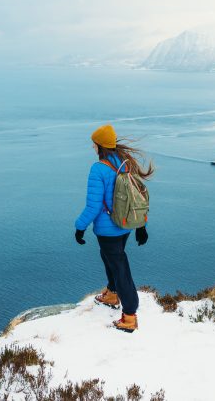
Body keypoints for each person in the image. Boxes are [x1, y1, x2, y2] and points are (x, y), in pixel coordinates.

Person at [74, 123, 154, 333]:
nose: (93, 147)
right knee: (110, 257)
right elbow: (137, 197)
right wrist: (141, 225)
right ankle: (112, 293)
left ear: (99, 145)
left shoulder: (98, 168)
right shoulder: (125, 163)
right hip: (125, 225)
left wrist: (79, 227)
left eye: (94, 144)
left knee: (119, 266)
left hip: (107, 228)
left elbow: (93, 205)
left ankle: (129, 315)